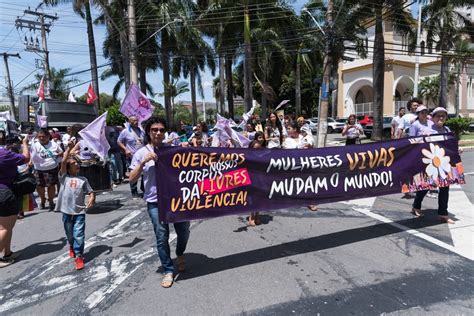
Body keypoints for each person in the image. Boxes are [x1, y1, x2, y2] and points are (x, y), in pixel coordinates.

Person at [129, 116, 190, 288]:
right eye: (154, 130)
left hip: (177, 200)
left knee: (184, 231)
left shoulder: (172, 150)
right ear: (148, 132)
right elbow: (131, 179)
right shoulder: (140, 153)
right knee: (161, 237)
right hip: (155, 202)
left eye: (161, 130)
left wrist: (186, 149)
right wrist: (143, 162)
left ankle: (179, 253)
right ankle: (168, 270)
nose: (158, 133)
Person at [411, 107, 455, 224]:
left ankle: (443, 213)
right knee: (426, 186)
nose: (440, 118)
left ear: (446, 117)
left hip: (443, 164)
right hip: (429, 164)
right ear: (433, 117)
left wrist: (457, 149)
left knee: (445, 188)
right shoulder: (427, 131)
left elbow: (450, 145)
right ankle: (416, 206)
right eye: (438, 115)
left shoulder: (447, 130)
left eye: (443, 116)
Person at [56, 141, 95, 270]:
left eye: (77, 163)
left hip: (79, 211)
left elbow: (90, 191)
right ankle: (72, 246)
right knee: (70, 234)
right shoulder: (64, 178)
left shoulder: (83, 179)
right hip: (66, 211)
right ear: (67, 168)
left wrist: (92, 198)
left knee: (79, 233)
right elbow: (63, 161)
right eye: (73, 164)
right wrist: (69, 149)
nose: (76, 165)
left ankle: (79, 255)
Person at [0, 136, 30, 268]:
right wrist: (24, 143)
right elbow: (26, 158)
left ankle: (7, 253)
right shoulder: (3, 154)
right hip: (5, 191)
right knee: (4, 228)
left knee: (6, 226)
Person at [30, 128, 63, 210]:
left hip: (52, 168)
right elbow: (32, 155)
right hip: (39, 169)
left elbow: (62, 152)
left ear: (48, 136)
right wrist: (30, 162)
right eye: (39, 136)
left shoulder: (54, 144)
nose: (41, 138)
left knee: (51, 186)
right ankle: (43, 199)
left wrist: (57, 154)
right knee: (39, 186)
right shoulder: (35, 144)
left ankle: (51, 201)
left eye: (43, 136)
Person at [118, 116, 145, 198]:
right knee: (134, 173)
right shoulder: (125, 131)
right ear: (129, 122)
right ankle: (134, 191)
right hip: (132, 156)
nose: (136, 122)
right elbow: (119, 141)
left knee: (145, 172)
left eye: (137, 120)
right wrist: (126, 149)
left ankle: (143, 188)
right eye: (134, 121)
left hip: (142, 155)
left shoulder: (141, 130)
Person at [248, 140, 263, 226]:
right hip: (251, 179)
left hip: (261, 179)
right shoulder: (248, 156)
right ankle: (251, 216)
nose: (257, 150)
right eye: (255, 148)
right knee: (252, 198)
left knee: (260, 198)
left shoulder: (263, 156)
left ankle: (257, 215)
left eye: (259, 148)